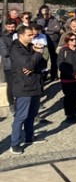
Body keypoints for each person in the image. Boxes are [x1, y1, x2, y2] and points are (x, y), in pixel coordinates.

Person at [9, 26, 47, 154]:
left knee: (32, 115)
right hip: (23, 87)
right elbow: (29, 65)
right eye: (30, 35)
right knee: (21, 116)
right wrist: (37, 54)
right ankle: (14, 144)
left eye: (33, 35)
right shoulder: (15, 49)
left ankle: (29, 137)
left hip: (35, 85)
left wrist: (35, 59)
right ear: (21, 36)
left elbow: (42, 65)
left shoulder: (31, 47)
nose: (33, 37)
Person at [58, 32, 76, 123]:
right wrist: (72, 73)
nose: (74, 41)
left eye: (75, 39)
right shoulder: (64, 50)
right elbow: (60, 64)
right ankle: (68, 114)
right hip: (67, 78)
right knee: (68, 96)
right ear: (67, 41)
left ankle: (74, 113)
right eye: (72, 39)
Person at [36, 5, 62, 80]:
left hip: (53, 41)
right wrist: (51, 30)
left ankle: (54, 75)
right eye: (44, 13)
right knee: (44, 58)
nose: (46, 14)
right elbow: (40, 30)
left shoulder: (55, 20)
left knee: (54, 58)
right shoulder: (39, 21)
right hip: (44, 41)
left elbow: (57, 29)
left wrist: (46, 29)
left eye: (47, 12)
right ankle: (44, 74)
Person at [1, 20, 17, 113]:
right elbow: (5, 53)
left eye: (13, 27)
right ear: (6, 26)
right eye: (9, 27)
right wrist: (17, 48)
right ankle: (11, 103)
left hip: (19, 64)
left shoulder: (18, 35)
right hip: (9, 65)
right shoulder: (2, 38)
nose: (11, 29)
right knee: (10, 85)